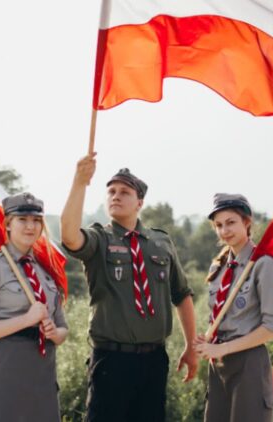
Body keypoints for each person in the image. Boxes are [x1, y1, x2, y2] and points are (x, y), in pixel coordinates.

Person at [60, 153, 198, 422]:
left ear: (140, 202)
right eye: (111, 191)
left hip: (154, 360)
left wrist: (191, 346)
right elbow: (68, 235)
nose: (115, 196)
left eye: (124, 191)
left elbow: (181, 294)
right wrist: (79, 182)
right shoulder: (99, 238)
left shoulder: (161, 242)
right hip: (111, 361)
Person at [0, 192, 68, 422]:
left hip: (42, 379)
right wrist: (26, 320)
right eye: (22, 220)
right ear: (7, 224)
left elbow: (63, 330)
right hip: (3, 376)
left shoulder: (47, 270)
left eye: (36, 220)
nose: (30, 226)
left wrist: (54, 333)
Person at [193, 193, 273, 422]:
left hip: (248, 363)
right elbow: (220, 315)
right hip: (218, 365)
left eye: (231, 222)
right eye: (219, 225)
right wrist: (208, 341)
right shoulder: (218, 266)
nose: (224, 231)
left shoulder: (263, 264)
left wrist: (224, 349)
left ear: (247, 221)